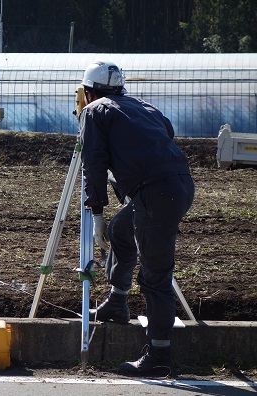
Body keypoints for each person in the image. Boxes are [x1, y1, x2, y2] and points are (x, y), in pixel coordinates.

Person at [78, 61, 195, 375]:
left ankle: (158, 357)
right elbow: (166, 132)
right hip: (179, 186)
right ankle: (117, 301)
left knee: (155, 277)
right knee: (121, 230)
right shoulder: (144, 106)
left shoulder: (94, 111)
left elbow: (94, 164)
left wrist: (97, 213)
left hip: (156, 194)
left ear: (87, 92)